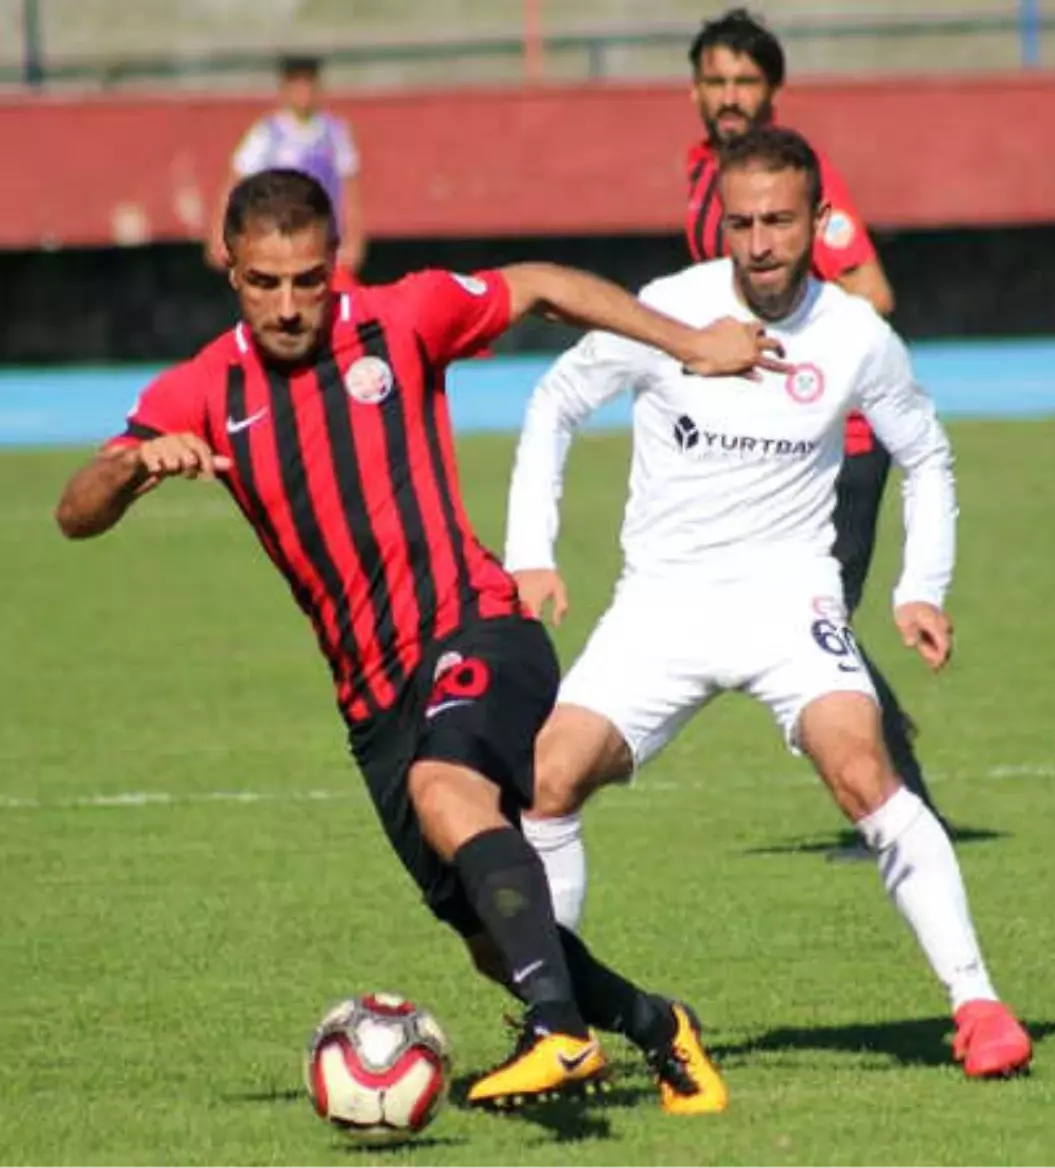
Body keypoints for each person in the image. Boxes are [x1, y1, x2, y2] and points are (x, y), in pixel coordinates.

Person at [56, 169, 784, 1111]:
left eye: (308, 279)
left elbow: (543, 286)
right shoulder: (203, 386)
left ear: (337, 263)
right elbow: (75, 515)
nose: (289, 305)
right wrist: (131, 467)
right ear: (230, 272)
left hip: (475, 623)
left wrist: (692, 344)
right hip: (372, 702)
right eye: (265, 282)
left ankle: (560, 1036)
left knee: (448, 791)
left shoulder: (401, 319)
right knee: (494, 941)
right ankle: (659, 1028)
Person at [505, 127, 1033, 1079]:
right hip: (660, 605)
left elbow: (926, 453)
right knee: (547, 781)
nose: (758, 243)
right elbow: (553, 404)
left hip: (790, 602)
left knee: (862, 770)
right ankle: (555, 1027)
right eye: (741, 222)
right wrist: (531, 554)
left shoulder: (858, 337)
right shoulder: (666, 311)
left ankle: (980, 1006)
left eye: (779, 221)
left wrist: (922, 588)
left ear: (819, 221)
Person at [681, 8, 946, 857]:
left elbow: (873, 289)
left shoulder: (802, 181)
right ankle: (893, 781)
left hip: (844, 442)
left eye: (745, 82)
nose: (729, 98)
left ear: (773, 91)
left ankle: (903, 809)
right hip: (771, 443)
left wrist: (792, 347)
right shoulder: (704, 176)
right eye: (716, 81)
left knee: (812, 621)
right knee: (810, 617)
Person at [206, 56, 366, 275]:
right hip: (276, 242)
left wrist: (355, 240)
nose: (303, 93)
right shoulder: (267, 134)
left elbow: (350, 191)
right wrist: (219, 234)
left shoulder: (334, 134)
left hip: (321, 242)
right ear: (285, 89)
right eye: (297, 85)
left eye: (308, 84)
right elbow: (235, 183)